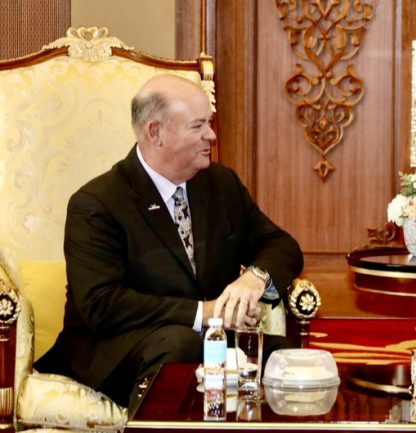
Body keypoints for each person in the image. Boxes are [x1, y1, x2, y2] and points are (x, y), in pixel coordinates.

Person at [36, 74, 303, 410]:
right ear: (155, 132)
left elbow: (281, 245)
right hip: (118, 350)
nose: (211, 135)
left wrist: (255, 277)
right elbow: (102, 304)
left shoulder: (221, 185)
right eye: (198, 126)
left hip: (205, 344)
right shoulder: (97, 204)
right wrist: (204, 312)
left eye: (209, 123)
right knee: (179, 345)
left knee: (285, 359)